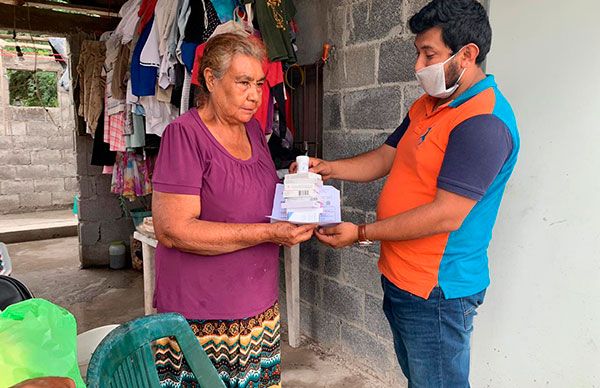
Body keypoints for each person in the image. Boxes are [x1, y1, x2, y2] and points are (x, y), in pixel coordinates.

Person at [293, 0, 520, 386]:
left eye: (428, 54)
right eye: (418, 53)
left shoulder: (482, 122)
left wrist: (361, 234)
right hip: (401, 277)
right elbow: (385, 157)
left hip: (437, 293)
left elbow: (445, 214)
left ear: (467, 55)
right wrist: (329, 168)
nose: (418, 66)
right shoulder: (428, 105)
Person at [151, 33, 315, 388]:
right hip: (203, 317)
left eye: (259, 83)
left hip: (258, 310)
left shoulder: (253, 130)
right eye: (243, 82)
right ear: (210, 79)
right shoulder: (184, 136)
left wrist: (299, 191)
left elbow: (253, 201)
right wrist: (270, 234)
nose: (255, 95)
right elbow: (172, 229)